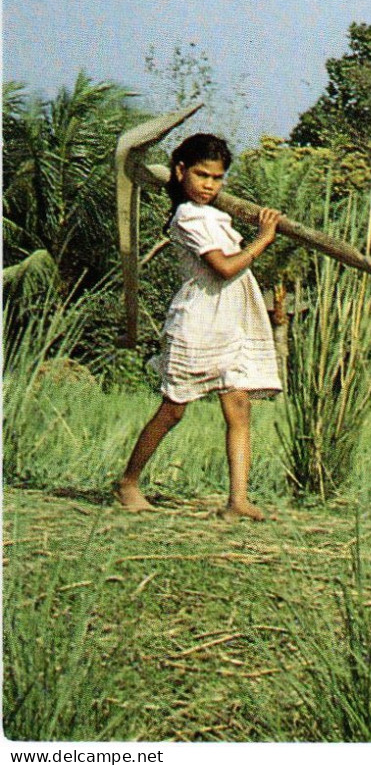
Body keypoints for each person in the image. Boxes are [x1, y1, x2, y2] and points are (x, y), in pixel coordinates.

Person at [115, 134, 284, 521]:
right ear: (180, 172)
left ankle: (237, 500)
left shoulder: (214, 214)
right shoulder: (188, 216)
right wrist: (264, 239)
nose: (209, 185)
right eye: (201, 174)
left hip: (232, 321)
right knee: (174, 408)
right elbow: (224, 267)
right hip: (199, 322)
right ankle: (128, 481)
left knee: (239, 406)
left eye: (218, 178)